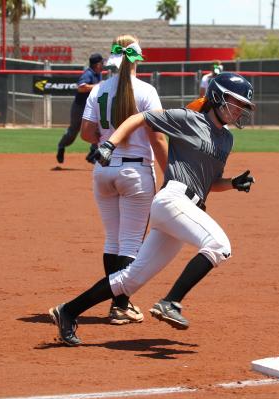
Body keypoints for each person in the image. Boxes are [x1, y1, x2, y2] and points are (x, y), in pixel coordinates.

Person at [49, 72, 256, 346]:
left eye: (243, 106)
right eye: (235, 102)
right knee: (219, 245)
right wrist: (110, 143)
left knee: (129, 280)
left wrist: (232, 183)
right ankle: (171, 302)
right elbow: (141, 118)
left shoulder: (226, 139)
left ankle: (68, 311)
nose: (239, 109)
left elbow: (209, 184)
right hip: (173, 200)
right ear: (216, 96)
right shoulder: (188, 118)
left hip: (183, 209)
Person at [77, 34, 168, 325]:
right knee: (129, 244)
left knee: (113, 241)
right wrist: (172, 174)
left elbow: (86, 133)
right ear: (138, 60)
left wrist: (106, 137)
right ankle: (120, 305)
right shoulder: (146, 91)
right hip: (136, 172)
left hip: (103, 171)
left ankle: (117, 302)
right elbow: (158, 138)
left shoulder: (98, 90)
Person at [56, 53, 104, 164]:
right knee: (73, 130)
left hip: (92, 107)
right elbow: (81, 88)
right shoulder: (89, 74)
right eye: (102, 63)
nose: (103, 65)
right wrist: (98, 86)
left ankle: (93, 153)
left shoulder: (98, 74)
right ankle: (61, 146)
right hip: (80, 106)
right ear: (97, 64)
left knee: (98, 128)